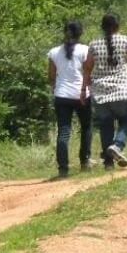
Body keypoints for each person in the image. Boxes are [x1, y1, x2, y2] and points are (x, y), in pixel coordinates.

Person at [82, 12, 127, 169]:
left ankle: (108, 163)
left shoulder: (93, 44)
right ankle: (117, 146)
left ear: (102, 26)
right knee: (126, 120)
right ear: (118, 26)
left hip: (100, 91)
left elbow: (87, 67)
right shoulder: (126, 41)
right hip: (122, 90)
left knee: (105, 125)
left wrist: (83, 89)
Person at [47, 21, 92, 177]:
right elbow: (88, 73)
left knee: (63, 132)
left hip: (61, 95)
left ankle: (63, 169)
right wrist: (83, 89)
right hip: (82, 94)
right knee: (86, 128)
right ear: (80, 33)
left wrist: (55, 88)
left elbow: (51, 76)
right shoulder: (85, 50)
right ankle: (85, 161)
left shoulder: (53, 52)